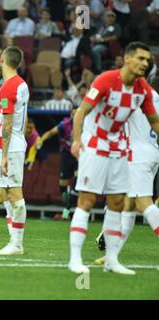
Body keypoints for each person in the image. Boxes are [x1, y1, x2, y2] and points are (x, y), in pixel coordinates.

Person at [69, 42, 159, 275]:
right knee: (87, 200)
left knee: (117, 204)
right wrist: (77, 140)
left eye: (147, 60)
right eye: (140, 58)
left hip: (121, 148)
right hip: (96, 144)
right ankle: (75, 259)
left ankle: (111, 260)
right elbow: (82, 111)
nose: (145, 63)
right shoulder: (106, 80)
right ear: (127, 59)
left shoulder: (143, 90)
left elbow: (155, 122)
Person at [0, 46, 30, 256]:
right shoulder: (20, 85)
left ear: (2, 60)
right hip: (6, 144)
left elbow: (7, 124)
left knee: (14, 193)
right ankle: (13, 240)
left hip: (10, 146)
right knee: (4, 192)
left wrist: (5, 154)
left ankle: (17, 244)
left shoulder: (9, 88)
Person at [38, 106, 79, 219]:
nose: (76, 116)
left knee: (77, 181)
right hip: (66, 155)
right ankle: (68, 198)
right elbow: (51, 132)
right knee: (62, 187)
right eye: (74, 114)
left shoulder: (85, 125)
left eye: (78, 114)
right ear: (71, 115)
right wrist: (41, 139)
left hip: (78, 156)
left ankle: (67, 211)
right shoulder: (64, 124)